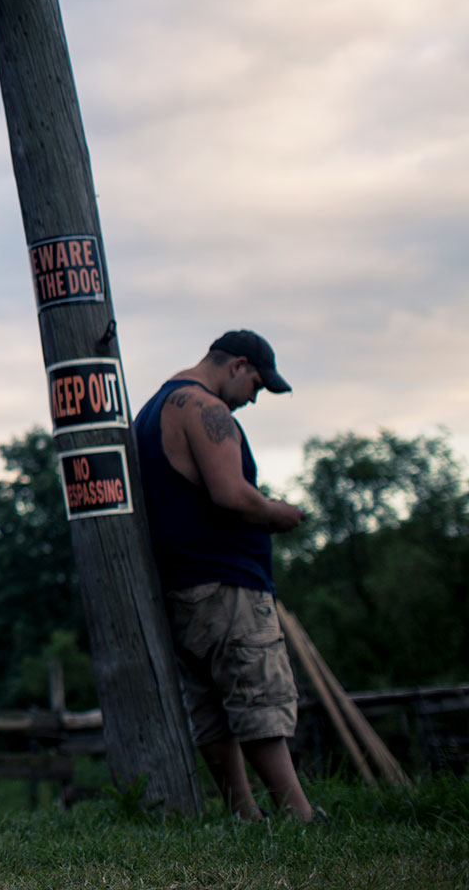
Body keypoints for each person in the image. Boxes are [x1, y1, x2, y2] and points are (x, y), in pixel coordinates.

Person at [134, 330, 323, 823]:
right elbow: (231, 494)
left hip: (182, 586)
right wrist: (277, 512)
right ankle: (299, 816)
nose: (254, 398)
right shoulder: (204, 408)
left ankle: (244, 814)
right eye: (257, 384)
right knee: (257, 695)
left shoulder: (152, 411)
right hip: (227, 583)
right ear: (238, 365)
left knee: (211, 706)